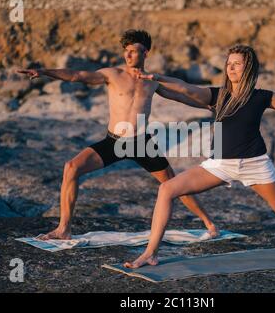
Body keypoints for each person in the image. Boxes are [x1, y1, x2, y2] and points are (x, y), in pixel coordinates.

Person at [124, 44, 275, 268]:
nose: (230, 67)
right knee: (167, 189)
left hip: (255, 164)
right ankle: (151, 253)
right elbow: (186, 88)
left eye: (236, 63)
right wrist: (157, 78)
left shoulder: (262, 97)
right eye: (228, 63)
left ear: (248, 67)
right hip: (219, 164)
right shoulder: (218, 96)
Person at [17, 29, 218, 240]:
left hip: (142, 143)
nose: (129, 55)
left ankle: (209, 223)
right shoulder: (112, 74)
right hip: (114, 142)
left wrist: (209, 107)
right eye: (127, 51)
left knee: (173, 184)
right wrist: (45, 72)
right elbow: (77, 75)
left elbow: (180, 96)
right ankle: (63, 228)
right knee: (71, 167)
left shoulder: (152, 80)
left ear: (146, 53)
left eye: (134, 51)